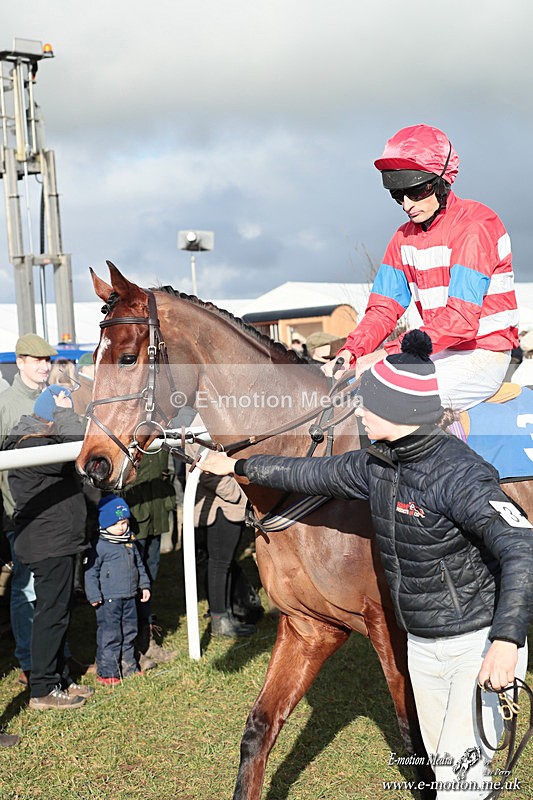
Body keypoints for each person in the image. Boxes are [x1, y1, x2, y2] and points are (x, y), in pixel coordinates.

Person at [200, 330, 533, 799]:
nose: (358, 412)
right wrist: (237, 467)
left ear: (400, 411)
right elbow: (307, 473)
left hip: (473, 645)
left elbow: (520, 545)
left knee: (462, 783)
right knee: (446, 773)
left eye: (369, 404)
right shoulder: (375, 465)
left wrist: (506, 641)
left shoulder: (461, 473)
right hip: (423, 648)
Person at [324, 124, 519, 411]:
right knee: (355, 396)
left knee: (397, 402)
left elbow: (461, 320)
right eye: (398, 195)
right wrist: (351, 352)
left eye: (414, 193)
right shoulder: (402, 238)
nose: (406, 205)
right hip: (436, 352)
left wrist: (388, 353)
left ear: (440, 182)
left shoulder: (476, 225)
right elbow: (383, 310)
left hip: (483, 354)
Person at [4, 384, 91, 710]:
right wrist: (66, 413)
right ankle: (42, 688)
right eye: (60, 411)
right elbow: (79, 448)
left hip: (57, 540)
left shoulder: (38, 438)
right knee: (50, 616)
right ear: (49, 415)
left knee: (58, 614)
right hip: (49, 543)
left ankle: (57, 678)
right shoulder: (33, 444)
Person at [0, 334, 56, 686]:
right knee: (28, 586)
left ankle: (55, 654)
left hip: (57, 511)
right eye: (37, 360)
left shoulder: (54, 398)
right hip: (21, 513)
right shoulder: (5, 404)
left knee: (54, 589)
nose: (44, 366)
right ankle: (28, 659)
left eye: (47, 360)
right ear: (20, 362)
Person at [84, 496, 151, 685]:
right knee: (110, 635)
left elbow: (139, 565)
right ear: (104, 524)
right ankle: (108, 672)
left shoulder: (129, 542)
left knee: (129, 632)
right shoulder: (99, 545)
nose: (121, 527)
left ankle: (129, 666)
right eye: (115, 524)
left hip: (129, 596)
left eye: (124, 522)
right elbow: (90, 572)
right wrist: (94, 594)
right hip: (108, 600)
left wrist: (144, 585)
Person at [121, 450, 177, 666]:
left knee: (148, 580)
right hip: (133, 517)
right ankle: (131, 646)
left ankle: (147, 640)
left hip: (156, 514)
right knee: (131, 580)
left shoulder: (160, 437)